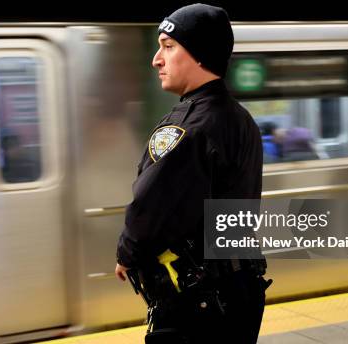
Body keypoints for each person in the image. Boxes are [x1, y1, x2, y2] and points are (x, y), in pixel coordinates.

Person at [114, 4, 270, 343]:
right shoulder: (240, 119)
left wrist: (127, 254)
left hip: (199, 304)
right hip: (242, 290)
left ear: (199, 54)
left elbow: (150, 207)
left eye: (169, 46)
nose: (157, 59)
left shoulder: (188, 127)